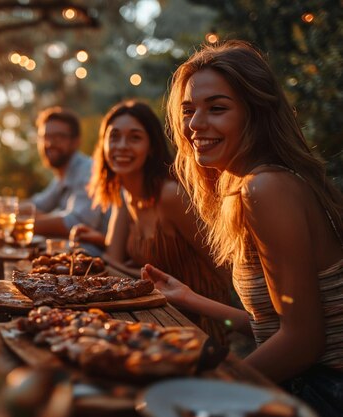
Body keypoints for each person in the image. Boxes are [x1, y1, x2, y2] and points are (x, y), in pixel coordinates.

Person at [141, 40, 343, 415]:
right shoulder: (249, 184)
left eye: (217, 109)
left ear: (256, 113)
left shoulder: (266, 188)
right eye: (188, 110)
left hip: (323, 392)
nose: (195, 125)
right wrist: (189, 297)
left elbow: (303, 343)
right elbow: (275, 323)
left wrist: (209, 391)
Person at [70, 99, 231, 340]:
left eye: (134, 138)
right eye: (114, 137)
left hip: (200, 325)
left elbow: (227, 270)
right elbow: (112, 262)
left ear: (152, 147)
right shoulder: (125, 194)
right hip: (156, 316)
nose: (122, 146)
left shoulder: (170, 196)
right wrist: (98, 243)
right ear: (103, 145)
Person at [31, 106, 108, 256]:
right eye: (45, 136)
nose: (50, 143)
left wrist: (19, 224)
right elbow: (38, 204)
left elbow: (76, 222)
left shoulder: (88, 170)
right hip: (75, 256)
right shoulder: (63, 175)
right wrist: (5, 212)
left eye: (59, 136)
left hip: (98, 262)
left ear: (76, 141)